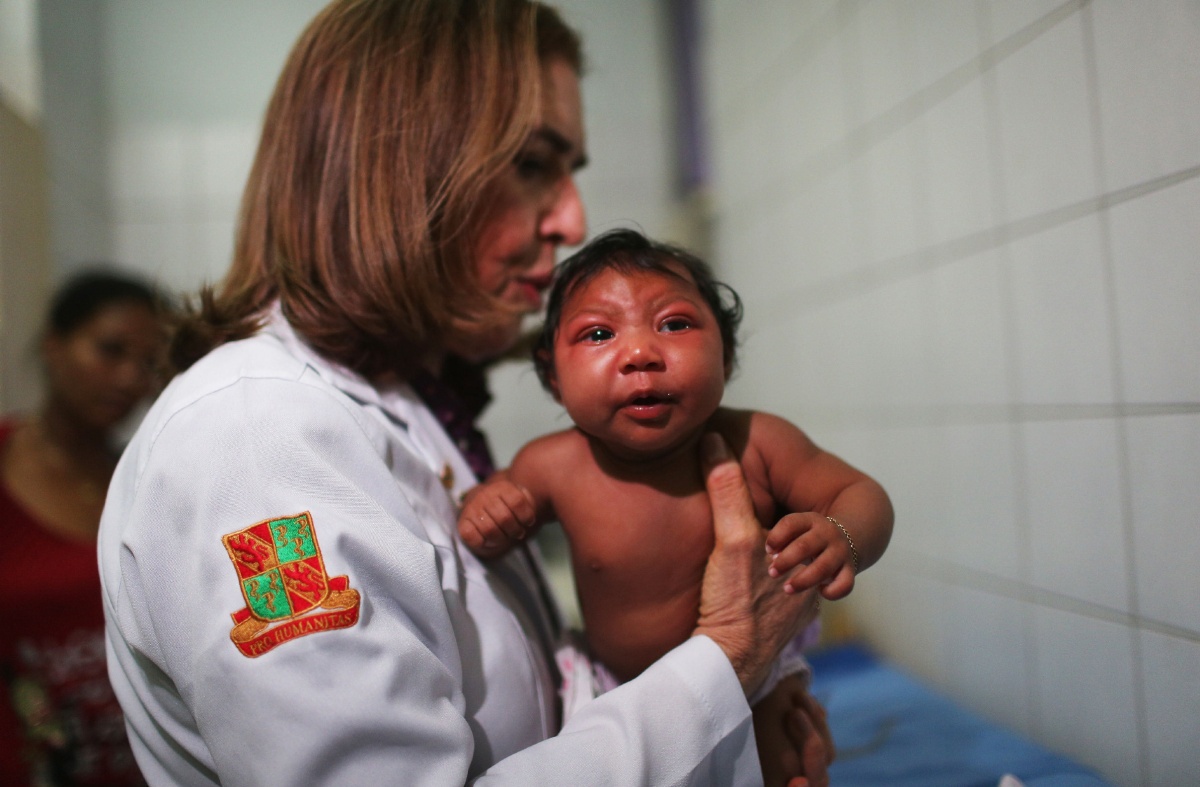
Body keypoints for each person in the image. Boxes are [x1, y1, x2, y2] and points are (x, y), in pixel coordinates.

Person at [98, 1, 832, 785]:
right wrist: (725, 656)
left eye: (569, 172)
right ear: (390, 166)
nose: (573, 219)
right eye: (530, 164)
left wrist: (735, 741)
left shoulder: (404, 405)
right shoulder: (251, 442)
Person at [457, 228, 894, 784]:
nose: (640, 353)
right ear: (552, 377)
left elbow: (863, 496)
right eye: (597, 333)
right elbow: (482, 519)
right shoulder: (552, 465)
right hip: (614, 691)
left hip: (754, 681)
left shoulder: (759, 442)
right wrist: (487, 511)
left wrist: (841, 536)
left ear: (727, 355)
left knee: (784, 760)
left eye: (675, 324)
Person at [2, 269, 167, 786]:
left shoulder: (145, 479)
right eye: (109, 350)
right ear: (54, 345)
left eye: (147, 364)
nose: (129, 380)